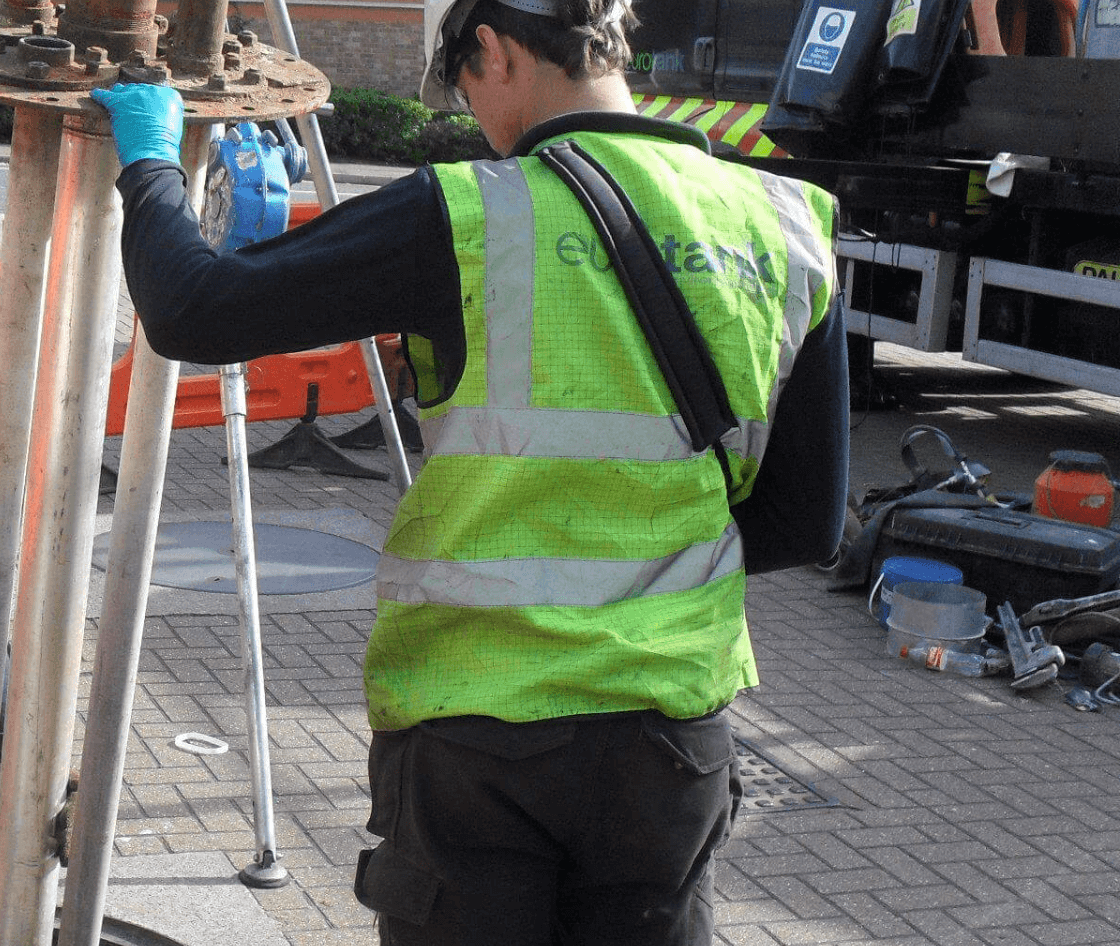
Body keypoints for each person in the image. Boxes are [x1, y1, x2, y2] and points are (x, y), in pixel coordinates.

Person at [90, 0, 850, 939]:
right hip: (668, 741)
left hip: (478, 732)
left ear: (491, 47)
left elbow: (197, 310)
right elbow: (808, 522)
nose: (465, 115)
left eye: (458, 84)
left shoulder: (467, 210)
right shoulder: (783, 222)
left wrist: (151, 162)